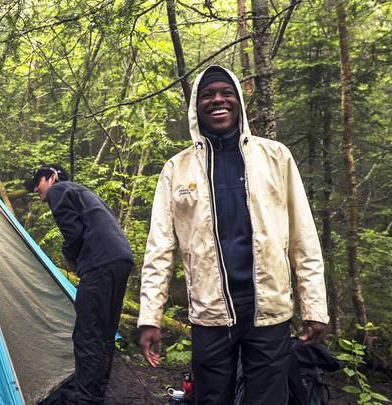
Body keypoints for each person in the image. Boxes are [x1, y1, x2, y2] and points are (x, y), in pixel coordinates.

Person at [137, 66, 329, 405]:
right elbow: (160, 248)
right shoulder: (176, 169)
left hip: (268, 308)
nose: (217, 100)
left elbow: (303, 236)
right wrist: (150, 316)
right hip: (210, 311)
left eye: (225, 92)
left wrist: (314, 306)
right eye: (208, 95)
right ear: (196, 108)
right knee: (211, 400)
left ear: (238, 99)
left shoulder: (275, 156)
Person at [26, 164, 133, 404]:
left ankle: (85, 398)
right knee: (105, 333)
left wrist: (70, 257)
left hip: (99, 264)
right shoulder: (82, 192)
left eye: (38, 181)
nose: (35, 188)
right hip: (120, 259)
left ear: (52, 177)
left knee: (87, 334)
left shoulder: (59, 190)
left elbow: (72, 233)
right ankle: (95, 392)